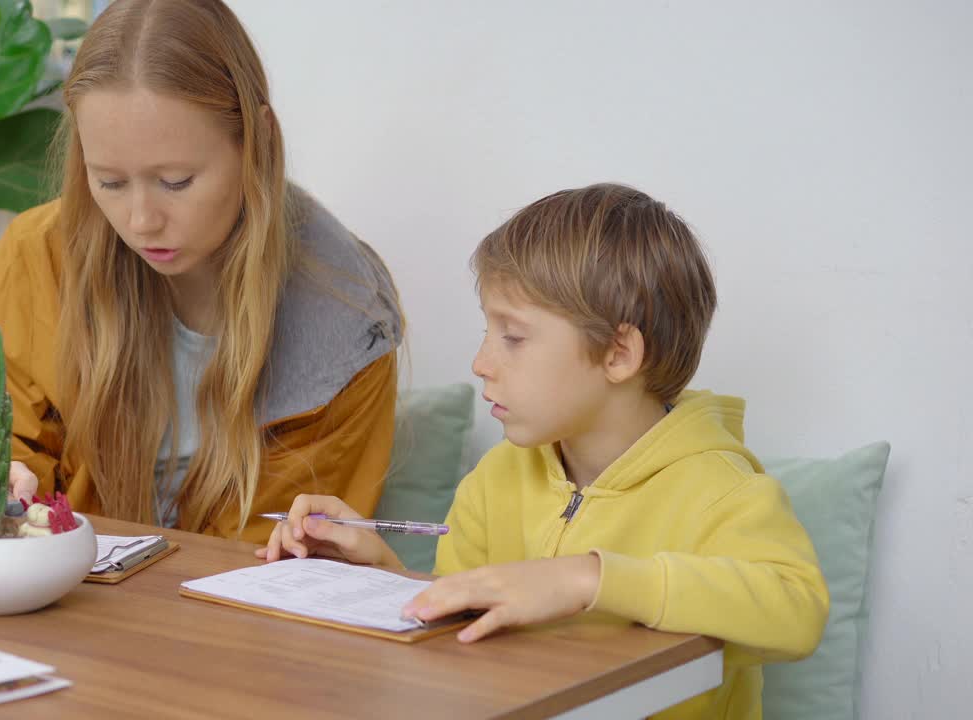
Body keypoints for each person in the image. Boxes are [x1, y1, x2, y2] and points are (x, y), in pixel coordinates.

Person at [260, 183, 828, 719]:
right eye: (487, 331)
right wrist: (379, 571)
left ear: (617, 353)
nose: (482, 362)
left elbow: (797, 611)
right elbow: (465, 627)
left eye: (513, 336)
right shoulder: (500, 476)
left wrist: (588, 579)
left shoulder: (720, 491)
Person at [0, 0, 402, 544]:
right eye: (109, 182)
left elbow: (266, 572)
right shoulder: (27, 265)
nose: (140, 221)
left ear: (257, 142)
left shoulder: (348, 328)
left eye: (177, 181)